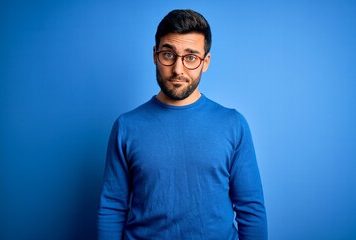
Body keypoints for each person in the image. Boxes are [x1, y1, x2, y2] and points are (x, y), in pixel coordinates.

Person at [98, 9, 267, 240]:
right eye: (168, 54)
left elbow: (251, 210)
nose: (178, 69)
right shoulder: (126, 126)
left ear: (205, 62)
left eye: (190, 57)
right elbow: (112, 207)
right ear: (154, 55)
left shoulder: (233, 125)